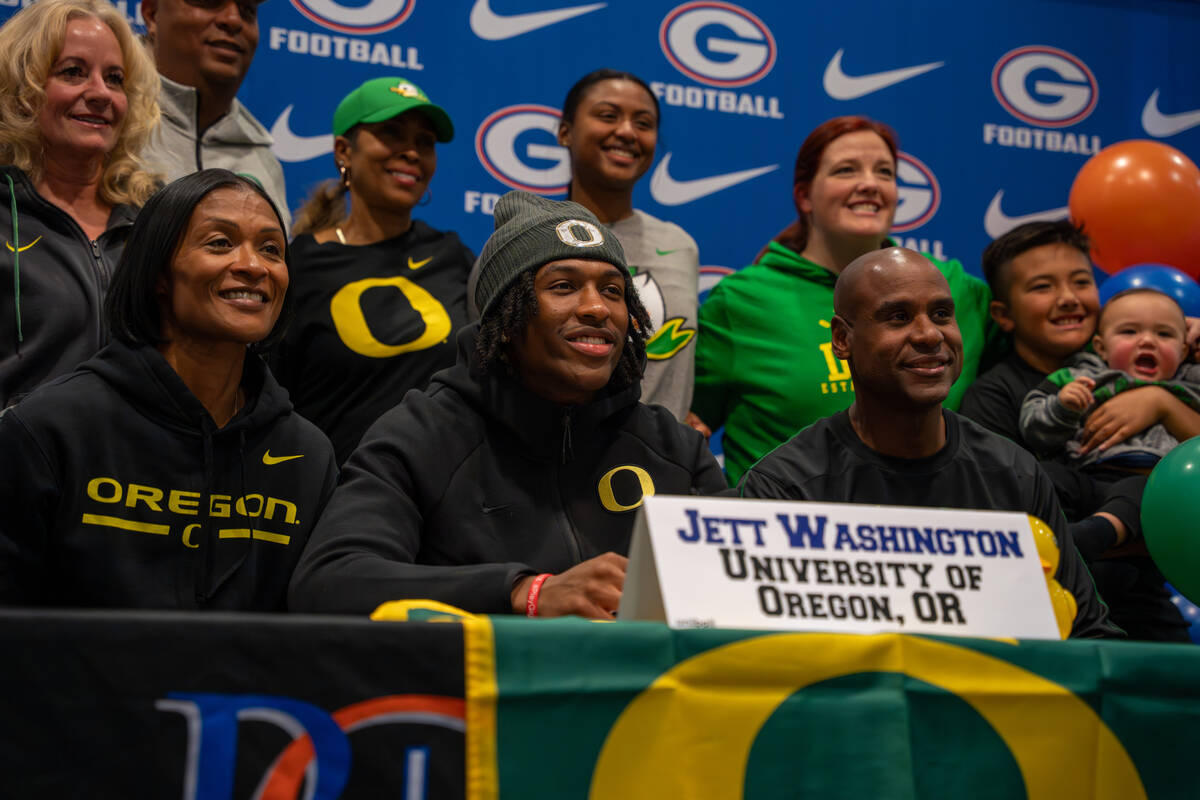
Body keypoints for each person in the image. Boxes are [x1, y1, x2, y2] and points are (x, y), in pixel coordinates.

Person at [288, 191, 726, 618]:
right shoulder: (424, 435)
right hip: (476, 688)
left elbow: (742, 587)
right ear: (506, 320)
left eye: (613, 291)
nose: (597, 307)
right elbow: (330, 578)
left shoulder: (673, 450)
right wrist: (525, 592)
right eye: (564, 286)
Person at [733, 247, 1118, 639]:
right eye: (898, 317)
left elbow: (1089, 634)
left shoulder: (1012, 472)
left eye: (941, 314)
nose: (930, 334)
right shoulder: (784, 489)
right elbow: (762, 656)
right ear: (842, 339)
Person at [0, 170, 337, 610]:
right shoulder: (49, 431)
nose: (254, 266)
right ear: (159, 273)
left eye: (271, 249)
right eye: (220, 243)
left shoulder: (307, 456)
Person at [691, 116, 1000, 484]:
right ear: (805, 196)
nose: (869, 184)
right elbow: (687, 426)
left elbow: (1040, 358)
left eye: (884, 172)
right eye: (846, 170)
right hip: (788, 530)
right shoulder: (740, 302)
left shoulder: (952, 287)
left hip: (934, 527)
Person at [273, 77, 472, 465]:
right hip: (334, 498)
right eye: (391, 134)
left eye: (425, 142)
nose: (412, 152)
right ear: (344, 151)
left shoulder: (452, 254)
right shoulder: (297, 265)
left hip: (441, 495)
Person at [0, 0, 160, 406]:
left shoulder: (154, 219)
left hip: (134, 466)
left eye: (115, 78)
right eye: (73, 72)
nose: (100, 93)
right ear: (23, 87)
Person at [1018, 288, 1200, 642]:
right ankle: (1049, 537)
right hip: (1087, 474)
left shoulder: (1190, 384)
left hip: (1153, 489)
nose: (1146, 341)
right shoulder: (1079, 378)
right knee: (1049, 476)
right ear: (1100, 348)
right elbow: (1033, 424)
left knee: (1140, 493)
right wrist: (1063, 407)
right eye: (1129, 332)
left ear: (1182, 350)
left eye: (1163, 334)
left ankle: (1090, 536)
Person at [140, 0, 290, 228]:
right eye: (210, 2)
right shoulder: (107, 126)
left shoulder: (263, 161)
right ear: (152, 14)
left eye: (247, 10)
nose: (232, 20)